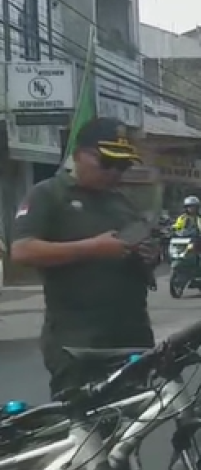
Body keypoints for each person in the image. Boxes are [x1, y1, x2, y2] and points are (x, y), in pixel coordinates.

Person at [10, 117, 157, 396]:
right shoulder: (49, 195)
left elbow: (137, 242)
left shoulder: (120, 201)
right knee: (85, 429)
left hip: (131, 334)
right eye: (107, 163)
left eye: (122, 166)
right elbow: (22, 250)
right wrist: (93, 248)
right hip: (79, 340)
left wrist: (148, 254)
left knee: (133, 427)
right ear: (79, 156)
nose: (115, 173)